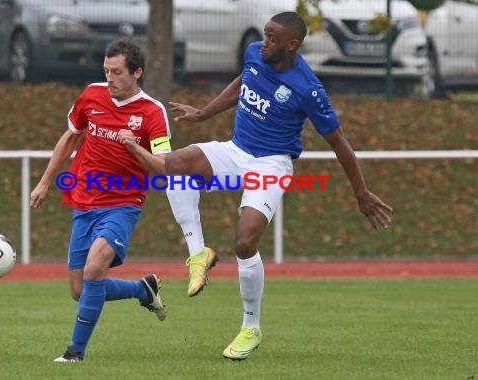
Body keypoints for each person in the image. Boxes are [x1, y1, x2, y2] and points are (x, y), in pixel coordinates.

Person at [165, 12, 393, 361]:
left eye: (272, 37)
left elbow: (340, 144)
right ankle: (198, 254)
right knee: (175, 165)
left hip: (272, 163)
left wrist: (361, 193)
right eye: (265, 35)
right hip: (236, 150)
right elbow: (243, 82)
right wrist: (203, 114)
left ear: (292, 44)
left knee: (245, 242)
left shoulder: (308, 89)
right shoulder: (256, 52)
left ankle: (250, 327)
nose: (264, 41)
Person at [30, 38, 172, 362]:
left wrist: (136, 149)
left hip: (123, 203)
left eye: (117, 72)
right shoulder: (92, 95)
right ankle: (142, 289)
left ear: (137, 73)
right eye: (106, 71)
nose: (110, 78)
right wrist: (44, 182)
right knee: (80, 290)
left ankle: (74, 352)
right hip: (84, 200)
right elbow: (70, 137)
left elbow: (164, 167)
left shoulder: (152, 112)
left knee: (96, 267)